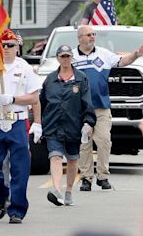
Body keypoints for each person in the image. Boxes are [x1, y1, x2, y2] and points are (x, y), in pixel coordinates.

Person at [0, 29, 41, 224]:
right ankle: (2, 194)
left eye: (10, 45)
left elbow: (34, 97)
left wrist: (14, 99)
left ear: (17, 46)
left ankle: (17, 210)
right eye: (3, 45)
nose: (7, 49)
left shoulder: (25, 67)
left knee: (20, 168)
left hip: (17, 120)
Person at [73, 25, 143, 191]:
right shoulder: (72, 57)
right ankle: (86, 178)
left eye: (93, 34)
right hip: (81, 110)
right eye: (88, 34)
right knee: (84, 144)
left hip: (101, 108)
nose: (92, 37)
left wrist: (136, 54)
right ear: (80, 38)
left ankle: (103, 176)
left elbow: (123, 61)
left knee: (104, 141)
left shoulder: (104, 54)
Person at [40, 45, 96, 206]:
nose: (65, 59)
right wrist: (39, 123)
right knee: (56, 157)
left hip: (73, 125)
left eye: (68, 56)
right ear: (58, 58)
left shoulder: (81, 78)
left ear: (72, 57)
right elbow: (42, 102)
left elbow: (87, 102)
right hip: (53, 125)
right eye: (62, 56)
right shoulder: (50, 79)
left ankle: (69, 190)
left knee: (72, 160)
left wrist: (89, 122)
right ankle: (57, 190)